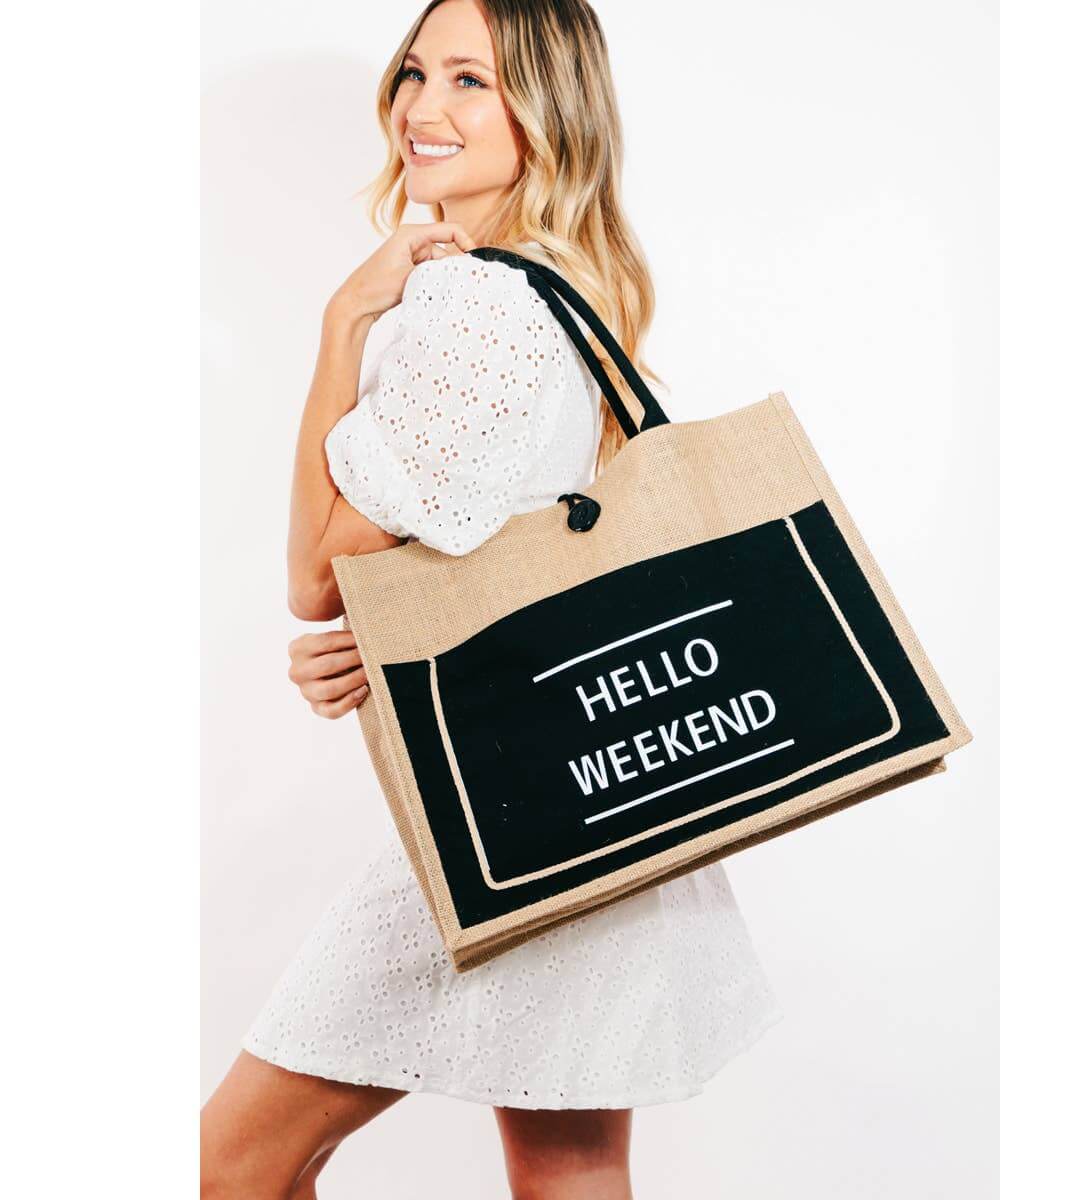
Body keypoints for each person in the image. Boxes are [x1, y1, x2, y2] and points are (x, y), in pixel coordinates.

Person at [201, 2, 782, 1195]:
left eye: (474, 80)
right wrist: (370, 632)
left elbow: (316, 570)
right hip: (609, 798)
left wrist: (338, 323)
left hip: (503, 822)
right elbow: (493, 553)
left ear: (546, 111)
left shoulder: (478, 308)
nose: (423, 108)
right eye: (417, 72)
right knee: (566, 1174)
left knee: (233, 1163)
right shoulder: (575, 293)